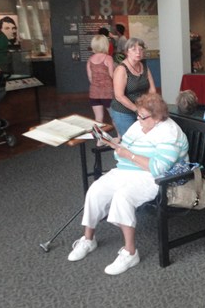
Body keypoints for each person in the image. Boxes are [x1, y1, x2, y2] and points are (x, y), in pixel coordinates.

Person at [67, 93, 189, 275]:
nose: (138, 119)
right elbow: (122, 149)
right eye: (138, 115)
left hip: (155, 177)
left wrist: (129, 155)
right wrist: (111, 142)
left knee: (122, 197)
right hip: (128, 170)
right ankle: (88, 239)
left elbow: (158, 167)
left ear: (156, 117)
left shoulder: (169, 132)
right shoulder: (140, 125)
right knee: (96, 190)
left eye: (142, 116)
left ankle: (130, 252)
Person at [109, 38, 156, 137]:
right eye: (133, 49)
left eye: (141, 49)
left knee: (145, 138)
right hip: (123, 111)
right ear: (127, 52)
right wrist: (137, 110)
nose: (138, 52)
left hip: (141, 109)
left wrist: (151, 106)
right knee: (130, 141)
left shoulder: (144, 65)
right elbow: (119, 96)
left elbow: (152, 89)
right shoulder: (121, 69)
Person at [86, 34, 115, 123]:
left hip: (94, 93)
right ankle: (118, 136)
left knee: (98, 119)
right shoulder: (108, 58)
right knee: (114, 117)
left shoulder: (90, 60)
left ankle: (99, 137)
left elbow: (90, 78)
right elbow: (112, 76)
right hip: (107, 93)